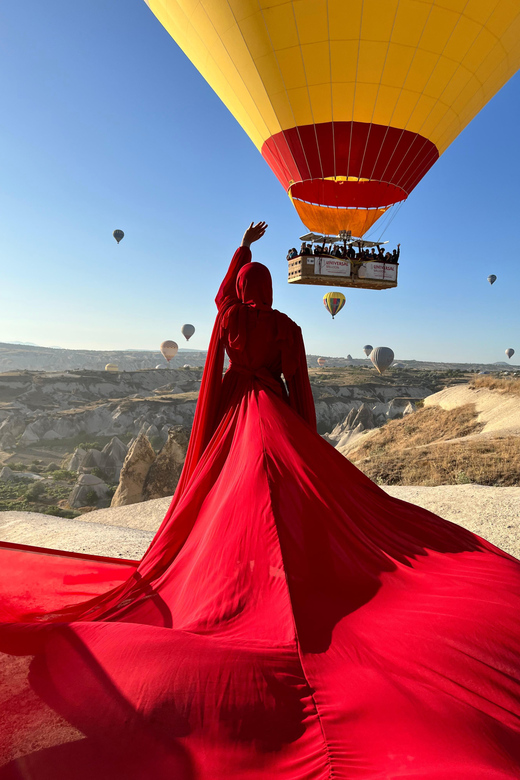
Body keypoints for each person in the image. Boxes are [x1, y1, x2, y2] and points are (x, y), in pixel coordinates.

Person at [1, 222, 520, 779]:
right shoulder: (286, 326)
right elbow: (299, 382)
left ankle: (228, 572)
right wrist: (304, 439)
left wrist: (241, 248)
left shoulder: (229, 318)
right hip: (271, 407)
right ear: (271, 290)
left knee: (226, 490)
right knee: (282, 489)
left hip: (233, 409)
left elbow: (222, 297)